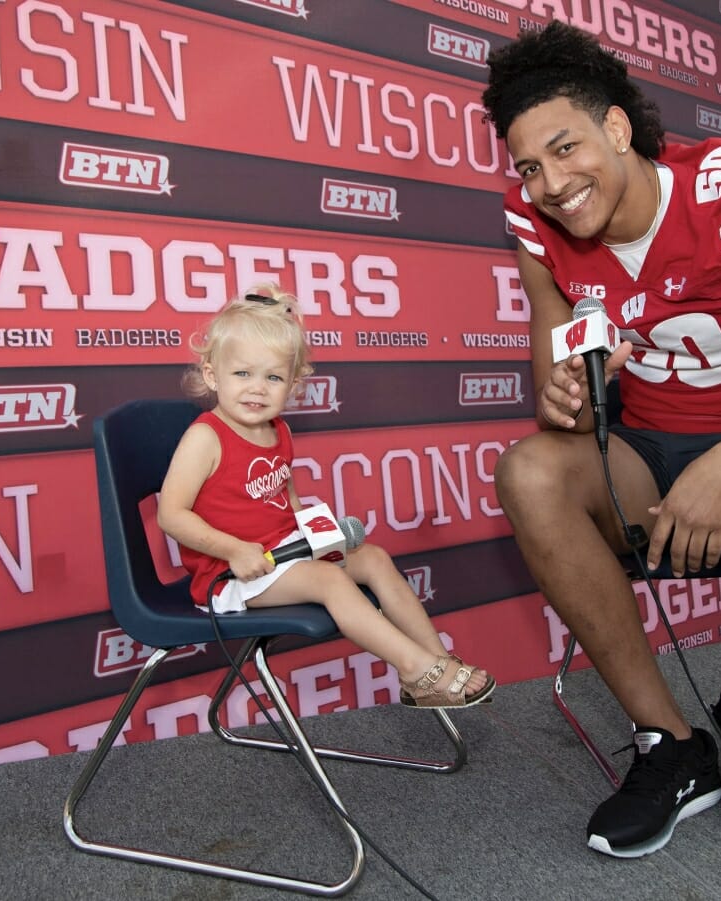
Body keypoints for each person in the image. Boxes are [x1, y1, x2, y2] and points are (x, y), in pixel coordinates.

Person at [482, 22, 721, 857]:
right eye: (530, 167)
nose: (551, 182)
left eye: (565, 149)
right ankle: (671, 743)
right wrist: (569, 398)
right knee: (531, 471)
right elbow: (564, 394)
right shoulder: (536, 224)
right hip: (645, 454)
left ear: (616, 129)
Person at [157, 285, 495, 708]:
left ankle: (437, 665)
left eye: (273, 377)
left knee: (373, 558)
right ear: (212, 375)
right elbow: (171, 515)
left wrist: (317, 536)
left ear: (293, 385)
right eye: (242, 374)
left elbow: (285, 494)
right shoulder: (205, 437)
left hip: (282, 555)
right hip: (231, 576)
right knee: (331, 581)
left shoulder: (278, 431)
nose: (257, 389)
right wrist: (234, 549)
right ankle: (415, 668)